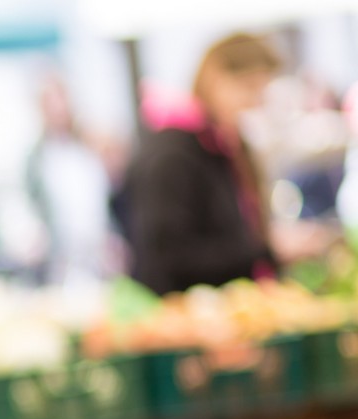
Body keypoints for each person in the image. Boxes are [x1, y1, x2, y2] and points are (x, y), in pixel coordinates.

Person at [124, 32, 338, 295]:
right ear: (214, 78)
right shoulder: (173, 152)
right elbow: (171, 257)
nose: (254, 102)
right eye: (248, 87)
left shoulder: (228, 143)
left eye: (261, 91)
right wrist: (267, 251)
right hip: (189, 317)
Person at [26, 75, 117, 282]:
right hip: (63, 260)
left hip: (100, 253)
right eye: (50, 103)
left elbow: (104, 200)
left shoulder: (88, 146)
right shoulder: (38, 158)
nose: (58, 109)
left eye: (61, 100)